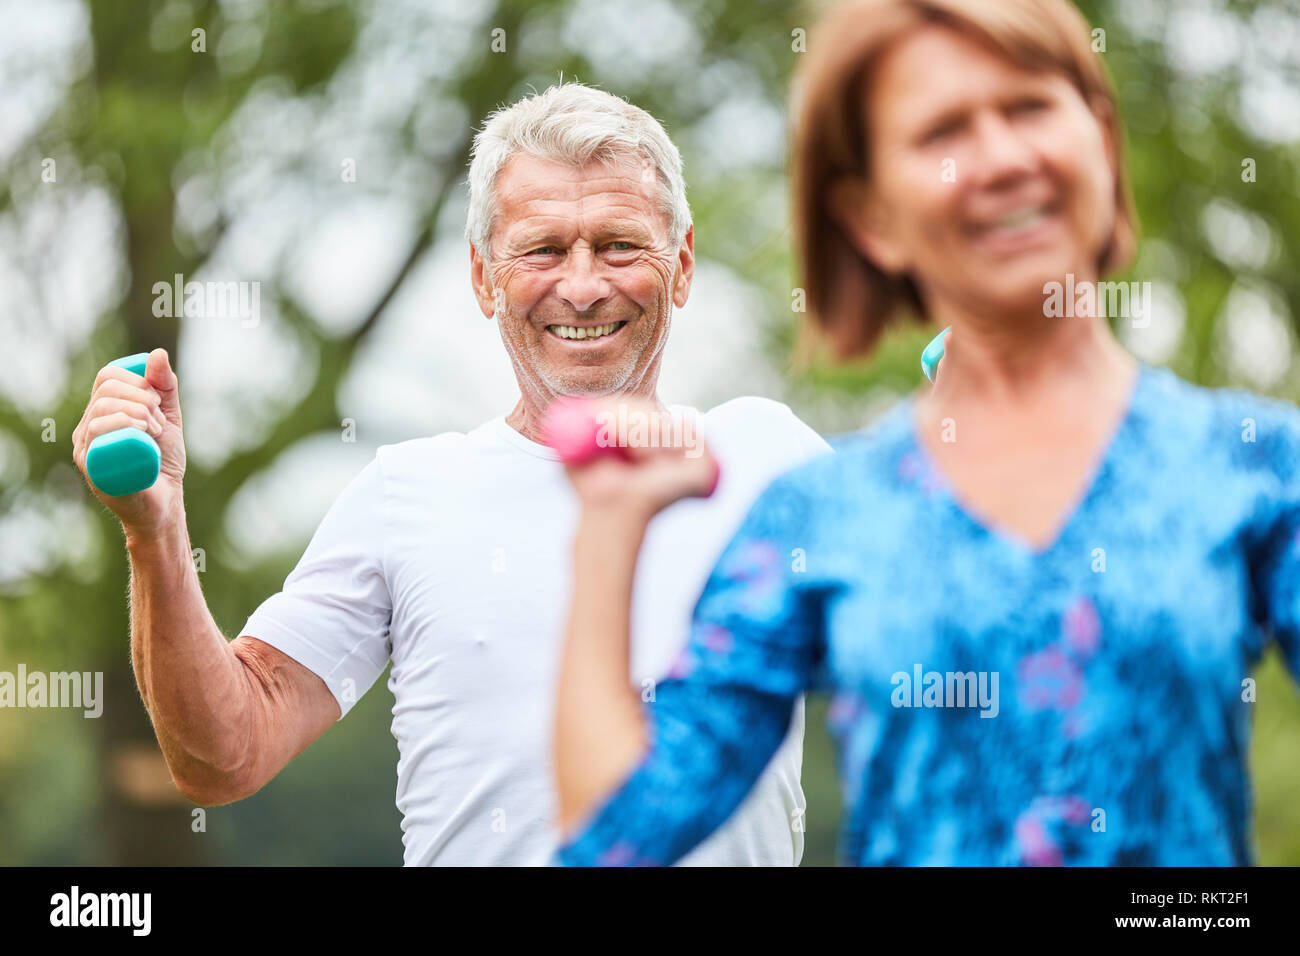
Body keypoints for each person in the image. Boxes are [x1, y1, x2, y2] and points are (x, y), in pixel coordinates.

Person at [552, 0, 1300, 865]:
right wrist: (609, 525)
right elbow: (617, 838)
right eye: (942, 132)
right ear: (871, 216)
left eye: (1029, 107)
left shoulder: (1257, 467)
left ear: (1098, 134)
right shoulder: (819, 517)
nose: (1002, 159)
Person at [70, 82, 828, 865]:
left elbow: (943, 637)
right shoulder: (408, 493)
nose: (582, 284)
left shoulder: (770, 456)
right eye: (542, 248)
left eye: (618, 244)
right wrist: (156, 534)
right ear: (482, 277)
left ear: (682, 265)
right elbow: (222, 757)